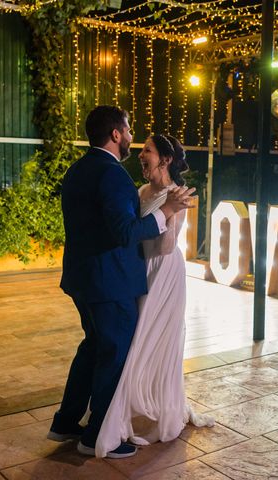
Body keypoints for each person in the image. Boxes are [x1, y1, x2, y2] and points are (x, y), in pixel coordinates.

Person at [47, 106, 195, 459]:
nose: (132, 138)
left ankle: (65, 422)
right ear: (116, 134)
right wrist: (165, 212)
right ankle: (97, 434)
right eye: (129, 131)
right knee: (113, 353)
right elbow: (124, 232)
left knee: (94, 346)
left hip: (83, 278)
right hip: (109, 281)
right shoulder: (112, 175)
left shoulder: (78, 169)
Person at [95, 134, 214, 458]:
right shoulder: (141, 191)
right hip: (138, 269)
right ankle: (132, 405)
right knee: (134, 338)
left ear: (165, 159)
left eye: (147, 150)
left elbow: (164, 246)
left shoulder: (178, 195)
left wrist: (171, 211)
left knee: (153, 339)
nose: (140, 155)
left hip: (163, 273)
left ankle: (152, 406)